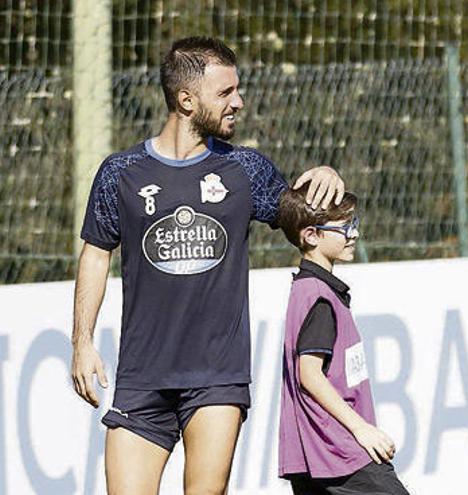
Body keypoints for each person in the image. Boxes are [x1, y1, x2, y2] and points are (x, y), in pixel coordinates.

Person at [70, 36, 346, 494]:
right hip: (141, 378)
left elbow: (304, 220)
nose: (239, 101)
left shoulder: (246, 170)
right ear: (186, 99)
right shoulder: (121, 172)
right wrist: (81, 342)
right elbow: (97, 253)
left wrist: (326, 178)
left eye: (237, 90)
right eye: (225, 93)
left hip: (217, 379)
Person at [274, 183, 410, 494]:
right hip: (338, 450)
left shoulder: (308, 289)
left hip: (316, 454)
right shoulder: (318, 297)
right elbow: (308, 374)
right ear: (311, 235)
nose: (354, 234)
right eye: (345, 226)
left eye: (354, 224)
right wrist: (362, 429)